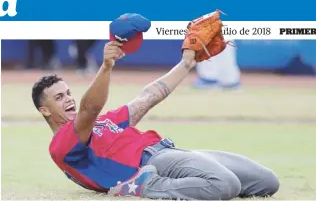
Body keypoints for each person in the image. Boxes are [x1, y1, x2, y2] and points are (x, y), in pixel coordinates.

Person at [31, 41, 279, 200]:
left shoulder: (103, 122)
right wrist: (106, 66)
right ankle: (141, 188)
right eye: (58, 97)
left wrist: (187, 63)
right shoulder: (61, 145)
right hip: (147, 166)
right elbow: (89, 108)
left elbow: (148, 97)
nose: (68, 99)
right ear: (45, 110)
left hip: (168, 151)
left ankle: (179, 184)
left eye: (68, 93)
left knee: (267, 181)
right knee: (225, 184)